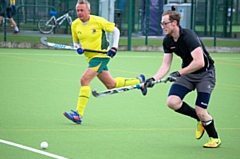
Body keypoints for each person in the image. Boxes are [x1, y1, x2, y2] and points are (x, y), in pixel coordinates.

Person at [144, 7, 221, 148]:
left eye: (165, 23)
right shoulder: (168, 41)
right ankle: (200, 119)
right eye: (161, 24)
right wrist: (153, 79)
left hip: (205, 74)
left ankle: (214, 138)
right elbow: (165, 65)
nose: (162, 27)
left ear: (174, 23)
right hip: (188, 74)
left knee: (201, 111)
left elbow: (200, 62)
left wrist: (179, 73)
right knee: (172, 102)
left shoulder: (188, 36)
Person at [63, 0, 147, 124]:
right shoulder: (75, 24)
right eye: (78, 10)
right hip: (90, 58)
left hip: (101, 56)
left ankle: (78, 114)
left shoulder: (98, 21)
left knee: (84, 80)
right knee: (111, 85)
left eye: (82, 10)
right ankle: (139, 81)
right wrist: (77, 47)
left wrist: (114, 47)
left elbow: (116, 31)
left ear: (89, 11)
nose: (79, 13)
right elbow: (76, 42)